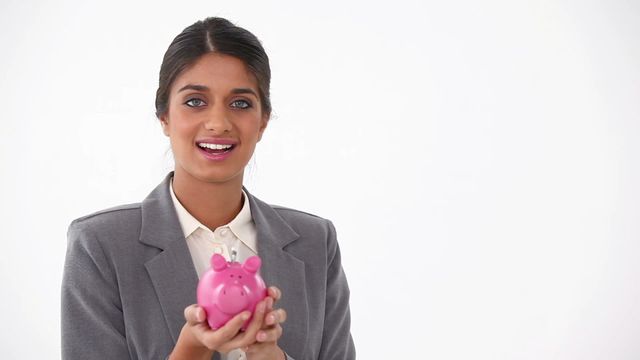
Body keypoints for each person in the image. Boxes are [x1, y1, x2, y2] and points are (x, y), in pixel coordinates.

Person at [61, 17, 356, 360]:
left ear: (263, 120)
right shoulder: (100, 245)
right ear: (164, 117)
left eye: (241, 103)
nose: (218, 123)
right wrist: (189, 353)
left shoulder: (315, 242)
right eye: (195, 101)